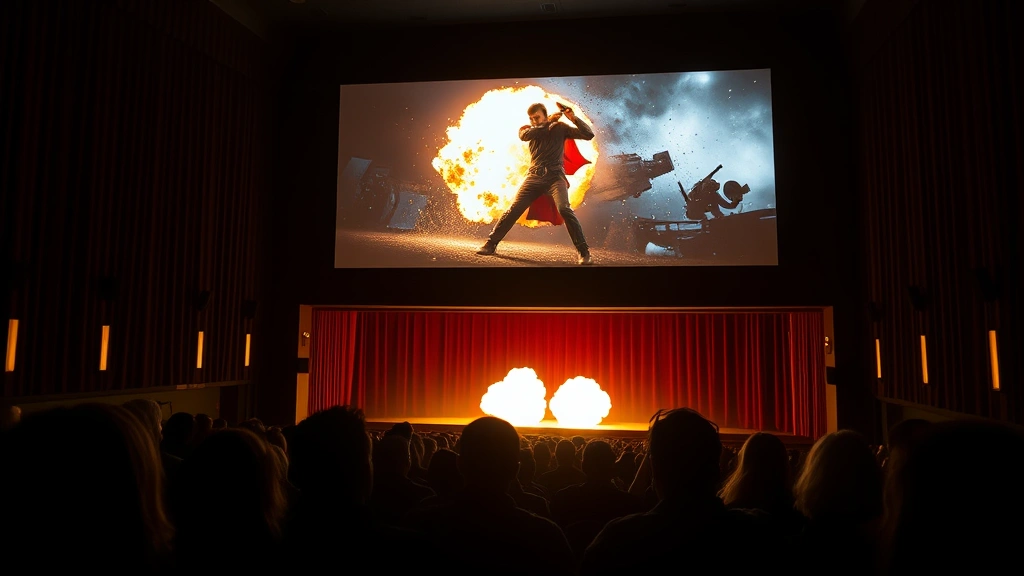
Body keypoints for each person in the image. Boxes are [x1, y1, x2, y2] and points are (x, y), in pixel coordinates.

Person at [477, 102, 596, 265]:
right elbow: (524, 136)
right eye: (532, 118)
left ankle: (584, 252)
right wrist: (546, 124)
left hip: (555, 177)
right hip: (533, 177)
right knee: (515, 208)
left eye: (537, 118)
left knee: (565, 209)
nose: (534, 121)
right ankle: (491, 244)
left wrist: (573, 118)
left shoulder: (560, 128)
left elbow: (588, 134)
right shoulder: (528, 130)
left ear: (545, 115)